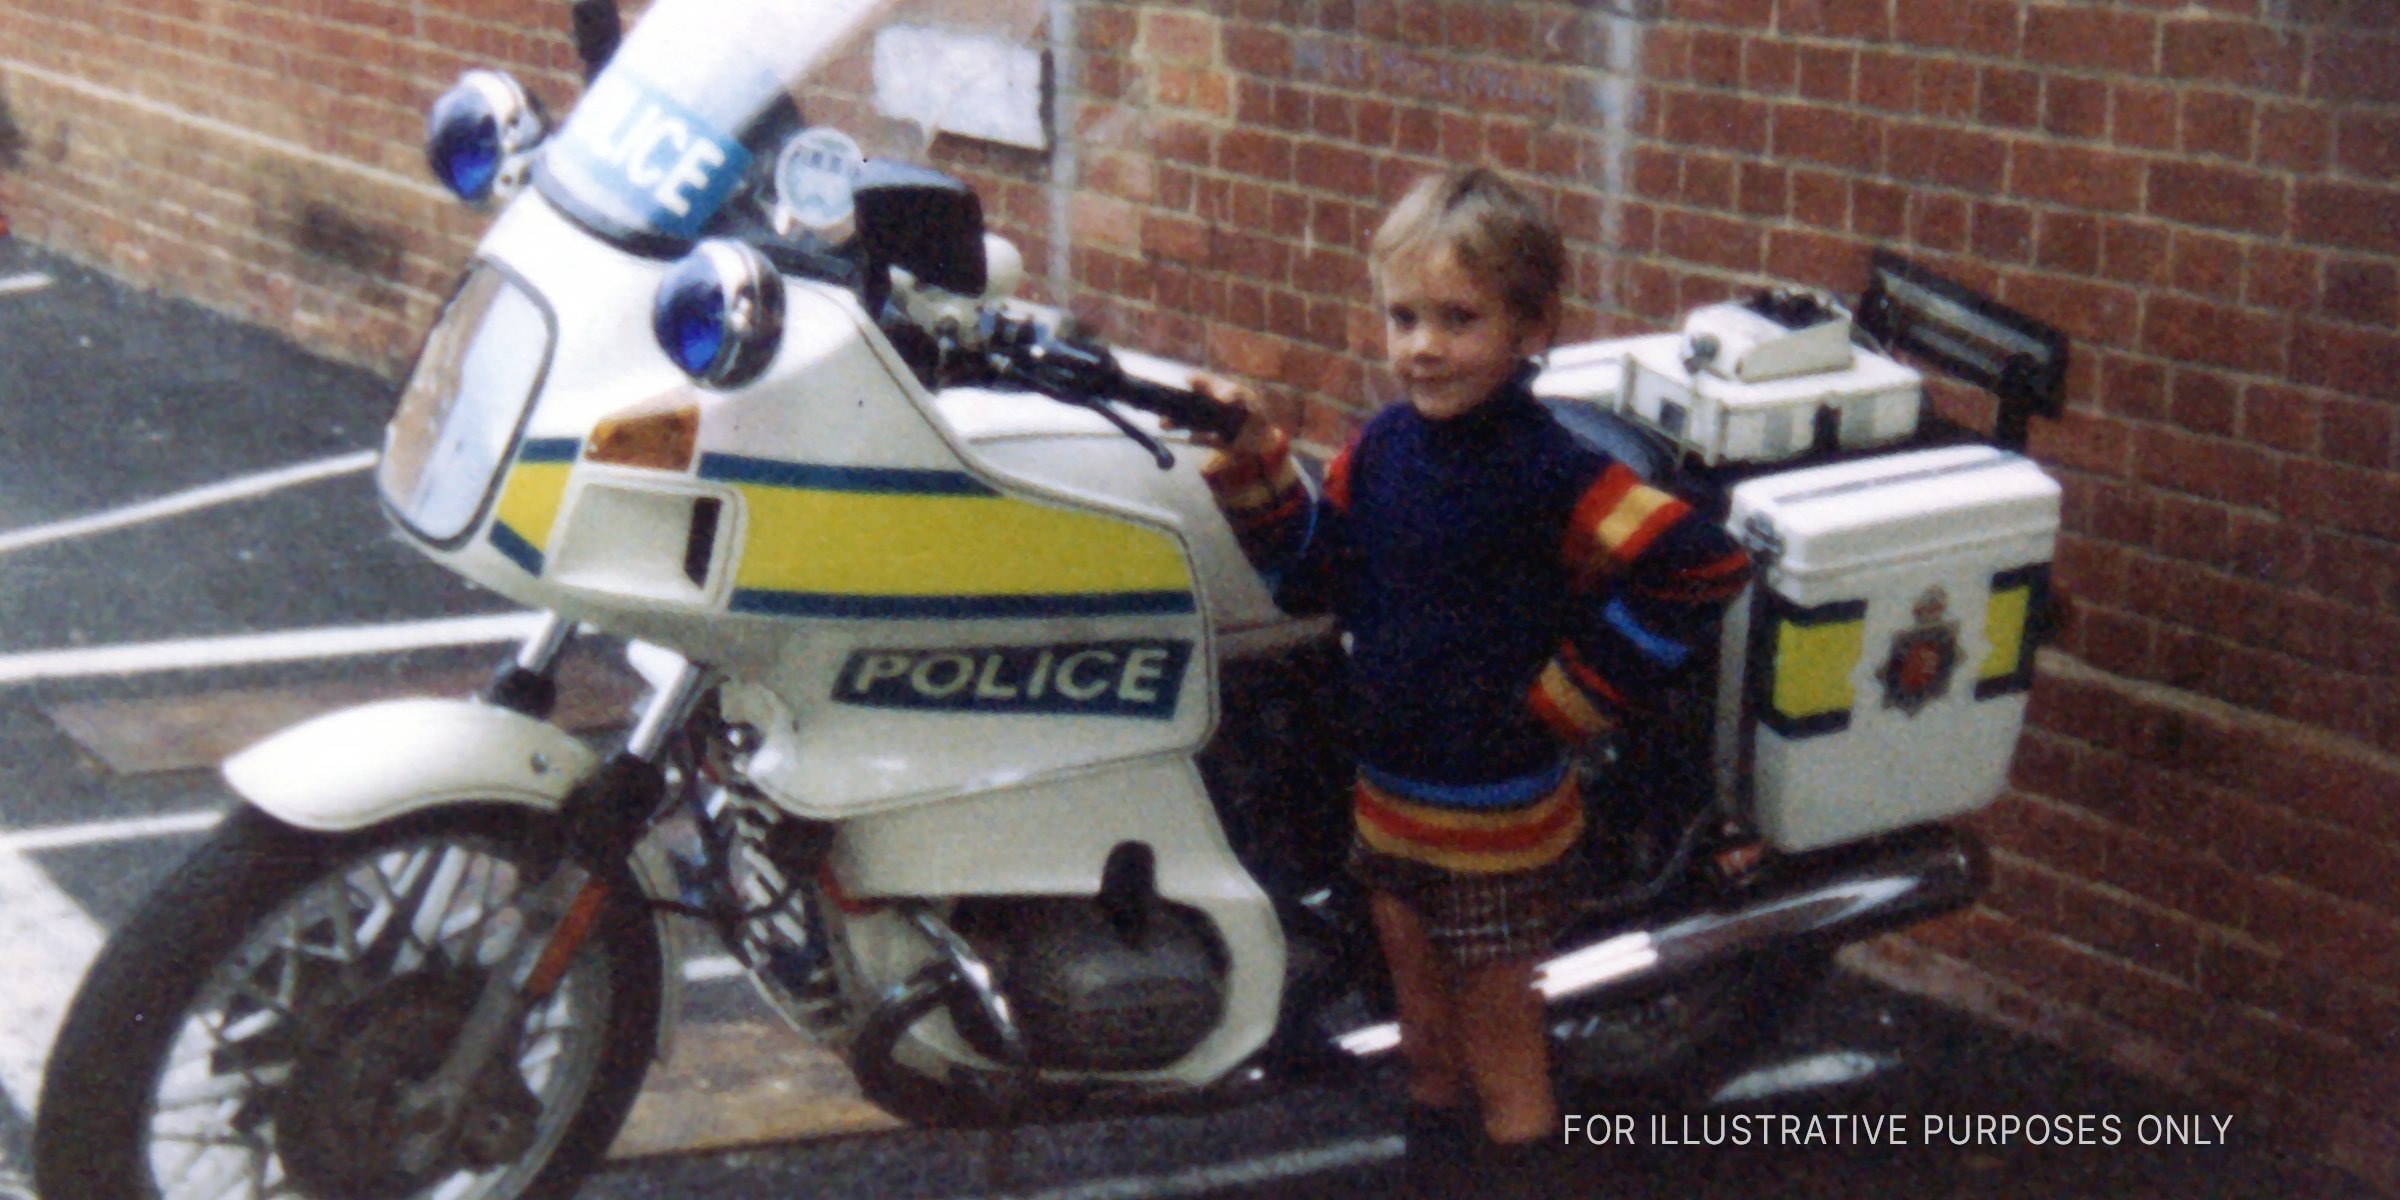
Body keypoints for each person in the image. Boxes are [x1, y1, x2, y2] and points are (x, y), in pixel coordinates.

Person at [1182, 167, 1752, 1198]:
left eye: (1459, 318)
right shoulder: (1381, 449)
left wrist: (1573, 698)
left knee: (1506, 1069)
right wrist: (1252, 459)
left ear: (1532, 328)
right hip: (1390, 809)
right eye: (1403, 317)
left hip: (1497, 826)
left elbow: (1701, 565)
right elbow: (1315, 577)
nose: (1423, 346)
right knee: (1426, 1053)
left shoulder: (1550, 469)